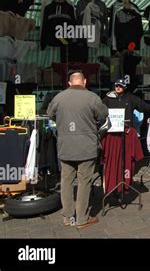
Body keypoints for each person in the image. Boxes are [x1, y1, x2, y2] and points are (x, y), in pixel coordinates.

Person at [47, 71, 108, 229]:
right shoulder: (92, 97)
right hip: (86, 147)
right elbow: (103, 115)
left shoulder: (59, 97)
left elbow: (50, 115)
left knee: (66, 181)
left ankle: (67, 217)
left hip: (65, 146)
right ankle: (81, 218)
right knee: (84, 181)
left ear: (69, 83)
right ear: (85, 82)